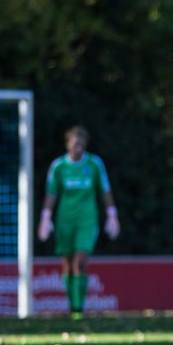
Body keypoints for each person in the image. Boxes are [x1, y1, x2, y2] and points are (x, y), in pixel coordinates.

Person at [38, 126, 120, 318]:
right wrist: (45, 217)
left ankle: (78, 309)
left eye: (82, 143)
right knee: (67, 263)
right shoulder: (58, 166)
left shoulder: (94, 164)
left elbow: (104, 189)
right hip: (65, 220)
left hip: (87, 219)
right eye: (75, 143)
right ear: (68, 145)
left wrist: (112, 214)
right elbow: (52, 192)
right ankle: (71, 305)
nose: (78, 147)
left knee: (80, 261)